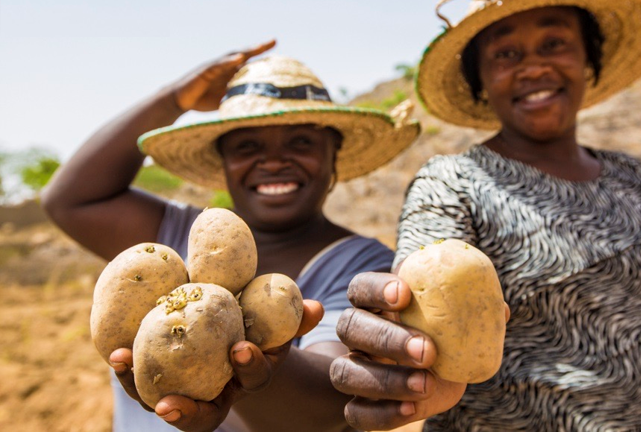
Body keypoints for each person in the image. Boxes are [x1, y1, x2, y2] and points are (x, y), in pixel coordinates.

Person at [331, 0, 641, 431]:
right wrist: (402, 341)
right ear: (481, 80)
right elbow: (421, 282)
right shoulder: (455, 182)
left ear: (587, 58)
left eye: (554, 44)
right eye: (505, 55)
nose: (534, 66)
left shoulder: (628, 173)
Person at [41, 44, 420, 431]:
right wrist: (173, 99)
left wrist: (250, 369)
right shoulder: (173, 235)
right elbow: (68, 200)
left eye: (301, 142)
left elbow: (332, 399)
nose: (273, 161)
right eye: (247, 146)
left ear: (333, 153)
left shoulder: (360, 264)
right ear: (223, 162)